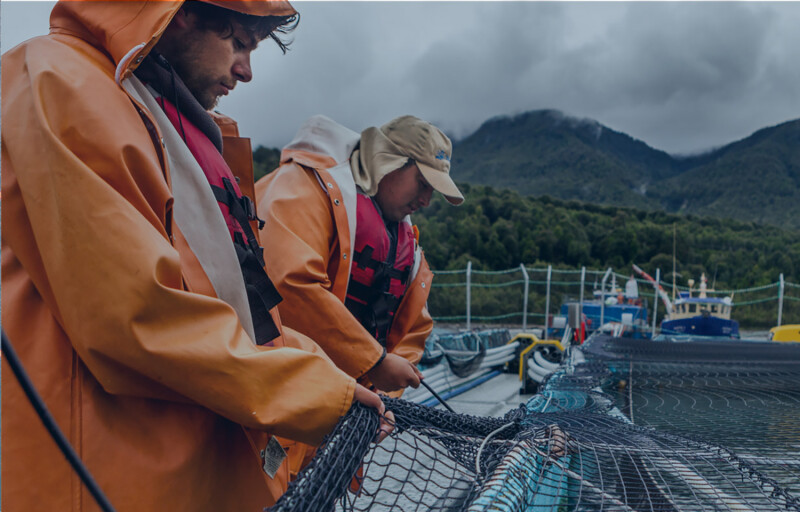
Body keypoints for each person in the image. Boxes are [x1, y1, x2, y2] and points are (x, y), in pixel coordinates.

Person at [1, 2, 390, 511]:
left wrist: (327, 373)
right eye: (240, 43)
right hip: (109, 479)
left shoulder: (167, 115)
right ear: (178, 13)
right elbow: (135, 312)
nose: (247, 71)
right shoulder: (61, 80)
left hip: (199, 473)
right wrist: (316, 394)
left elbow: (247, 314)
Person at [254, 115, 464, 477]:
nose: (427, 200)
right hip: (268, 407)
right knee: (260, 487)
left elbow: (414, 330)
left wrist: (383, 400)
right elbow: (288, 285)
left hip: (335, 417)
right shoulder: (301, 187)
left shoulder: (408, 247)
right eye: (423, 182)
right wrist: (375, 362)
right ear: (389, 160)